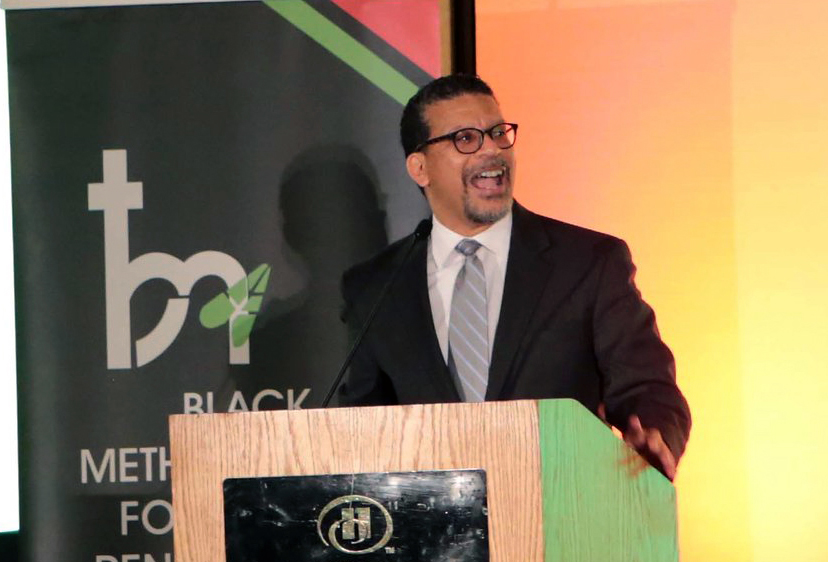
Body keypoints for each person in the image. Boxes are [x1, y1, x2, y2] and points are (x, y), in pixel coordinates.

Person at [339, 74, 690, 479]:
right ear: (420, 168)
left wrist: (655, 437)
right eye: (466, 139)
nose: (491, 150)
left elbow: (648, 387)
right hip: (434, 529)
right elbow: (360, 424)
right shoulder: (376, 286)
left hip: (564, 516)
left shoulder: (588, 263)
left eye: (498, 133)